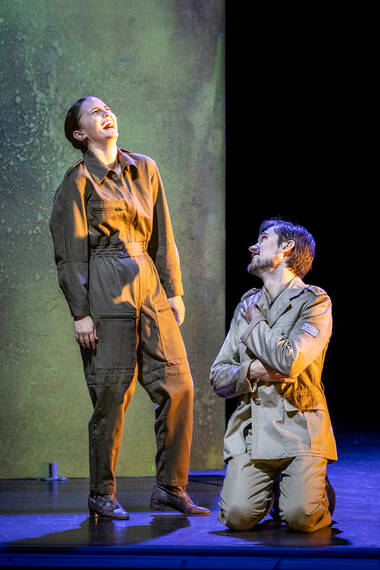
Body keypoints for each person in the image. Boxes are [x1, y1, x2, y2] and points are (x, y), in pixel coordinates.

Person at [50, 96, 209, 519]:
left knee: (179, 387)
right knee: (110, 397)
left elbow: (164, 235)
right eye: (94, 112)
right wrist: (80, 313)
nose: (106, 113)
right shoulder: (78, 183)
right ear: (79, 134)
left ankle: (170, 487)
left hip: (150, 288)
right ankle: (102, 493)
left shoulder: (146, 168)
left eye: (108, 108)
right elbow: (70, 254)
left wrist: (173, 290)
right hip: (105, 290)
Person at [210, 218, 337, 533]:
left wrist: (255, 327)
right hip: (253, 432)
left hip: (300, 427)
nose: (253, 246)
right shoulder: (247, 304)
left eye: (263, 238)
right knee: (237, 516)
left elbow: (289, 361)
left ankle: (311, 488)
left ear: (286, 248)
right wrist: (252, 370)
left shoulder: (314, 301)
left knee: (302, 517)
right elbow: (218, 376)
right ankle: (274, 490)